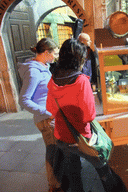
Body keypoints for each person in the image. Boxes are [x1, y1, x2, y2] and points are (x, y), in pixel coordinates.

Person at [46, 38, 117, 192]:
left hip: (62, 137)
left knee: (74, 173)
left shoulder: (52, 80)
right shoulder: (81, 81)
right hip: (82, 139)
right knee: (102, 168)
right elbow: (89, 116)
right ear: (78, 59)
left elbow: (51, 111)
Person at [18, 38, 61, 192]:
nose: (56, 56)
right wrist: (47, 113)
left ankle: (57, 182)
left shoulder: (43, 65)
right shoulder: (33, 71)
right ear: (45, 52)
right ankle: (54, 186)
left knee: (56, 151)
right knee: (53, 153)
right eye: (54, 53)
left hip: (50, 116)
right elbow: (24, 100)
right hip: (46, 120)